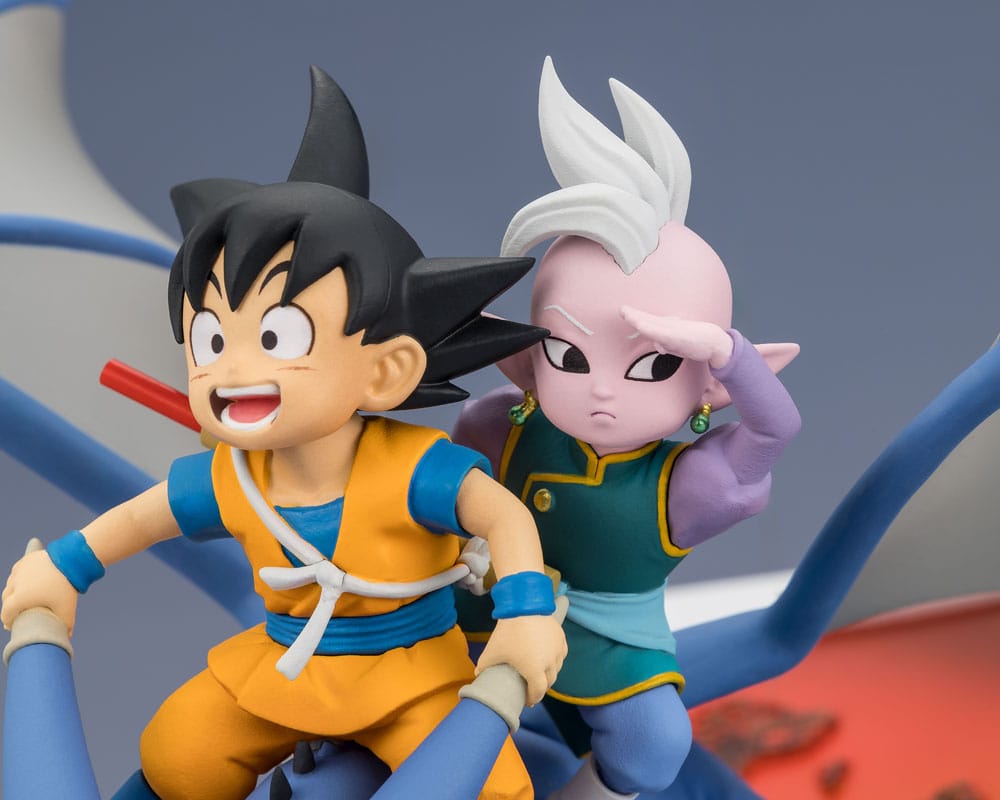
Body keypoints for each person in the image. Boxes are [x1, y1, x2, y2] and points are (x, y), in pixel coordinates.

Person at [1, 66, 566, 800]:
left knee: (488, 789)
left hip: (412, 674)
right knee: (179, 757)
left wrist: (524, 613)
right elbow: (143, 519)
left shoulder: (410, 468)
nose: (231, 370)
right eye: (210, 340)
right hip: (284, 666)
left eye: (277, 336)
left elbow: (502, 515)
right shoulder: (236, 475)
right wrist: (65, 567)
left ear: (388, 370)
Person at [454, 58, 800, 800]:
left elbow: (774, 432)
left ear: (707, 388)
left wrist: (727, 354)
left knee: (654, 742)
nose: (602, 390)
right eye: (569, 355)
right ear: (529, 356)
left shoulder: (689, 486)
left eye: (652, 365)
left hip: (608, 640)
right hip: (483, 611)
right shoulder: (496, 426)